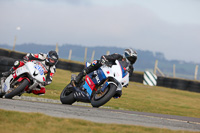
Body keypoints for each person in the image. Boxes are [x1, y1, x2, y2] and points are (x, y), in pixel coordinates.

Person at [73, 48, 137, 100]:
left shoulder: (130, 68)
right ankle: (80, 76)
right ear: (126, 55)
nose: (131, 60)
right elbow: (106, 57)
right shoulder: (118, 56)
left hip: (116, 78)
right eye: (131, 58)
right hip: (106, 68)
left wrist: (125, 82)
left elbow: (128, 76)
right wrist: (105, 60)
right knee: (97, 62)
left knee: (118, 93)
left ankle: (103, 93)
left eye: (133, 59)